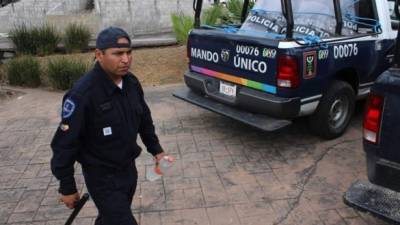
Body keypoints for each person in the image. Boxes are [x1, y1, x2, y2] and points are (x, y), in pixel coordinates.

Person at [50, 26, 165, 225]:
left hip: (128, 170)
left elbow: (144, 120)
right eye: (118, 53)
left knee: (110, 219)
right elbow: (64, 144)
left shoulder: (131, 83)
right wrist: (67, 186)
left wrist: (156, 150)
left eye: (129, 52)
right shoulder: (82, 94)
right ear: (99, 55)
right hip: (101, 177)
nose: (126, 59)